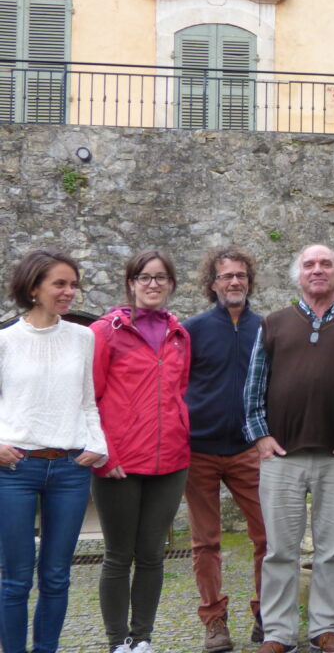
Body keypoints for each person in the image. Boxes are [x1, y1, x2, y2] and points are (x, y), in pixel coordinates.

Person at [243, 244, 334, 653]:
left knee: (332, 548)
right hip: (281, 458)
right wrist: (260, 435)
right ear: (298, 275)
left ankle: (324, 627)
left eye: (326, 264)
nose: (317, 270)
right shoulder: (273, 325)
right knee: (279, 551)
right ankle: (278, 633)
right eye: (309, 264)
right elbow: (253, 387)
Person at [0, 249, 108, 653]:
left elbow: (86, 401)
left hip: (69, 470)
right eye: (59, 284)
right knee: (15, 578)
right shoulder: (5, 341)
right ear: (33, 287)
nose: (69, 292)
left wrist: (96, 445)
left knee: (57, 576)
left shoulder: (83, 337)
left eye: (73, 284)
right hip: (15, 471)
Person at [90, 249, 192, 653]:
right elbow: (91, 398)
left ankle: (142, 638)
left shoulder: (179, 334)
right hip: (118, 463)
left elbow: (180, 392)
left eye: (161, 278)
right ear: (131, 283)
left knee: (152, 554)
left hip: (171, 461)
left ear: (170, 284)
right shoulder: (105, 332)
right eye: (144, 277)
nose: (153, 284)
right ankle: (118, 641)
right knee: (118, 555)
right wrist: (104, 453)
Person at [182, 247, 267, 652]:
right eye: (226, 276)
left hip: (249, 449)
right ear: (212, 284)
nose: (234, 282)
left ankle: (266, 612)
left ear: (249, 280)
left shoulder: (267, 329)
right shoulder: (192, 330)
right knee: (205, 542)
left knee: (268, 537)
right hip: (198, 450)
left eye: (241, 276)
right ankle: (213, 620)